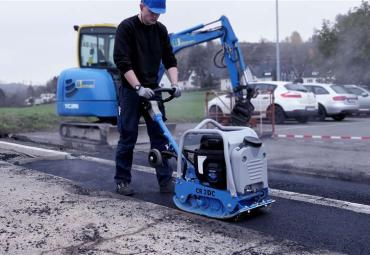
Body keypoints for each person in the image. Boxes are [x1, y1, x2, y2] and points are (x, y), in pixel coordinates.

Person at [113, 0, 180, 196]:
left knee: (160, 135)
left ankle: (165, 181)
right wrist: (138, 87)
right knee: (128, 136)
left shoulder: (160, 30)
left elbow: (170, 60)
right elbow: (122, 62)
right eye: (152, 12)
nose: (155, 16)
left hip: (153, 90)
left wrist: (175, 83)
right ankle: (122, 181)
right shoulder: (126, 28)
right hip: (130, 91)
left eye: (159, 13)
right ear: (141, 6)